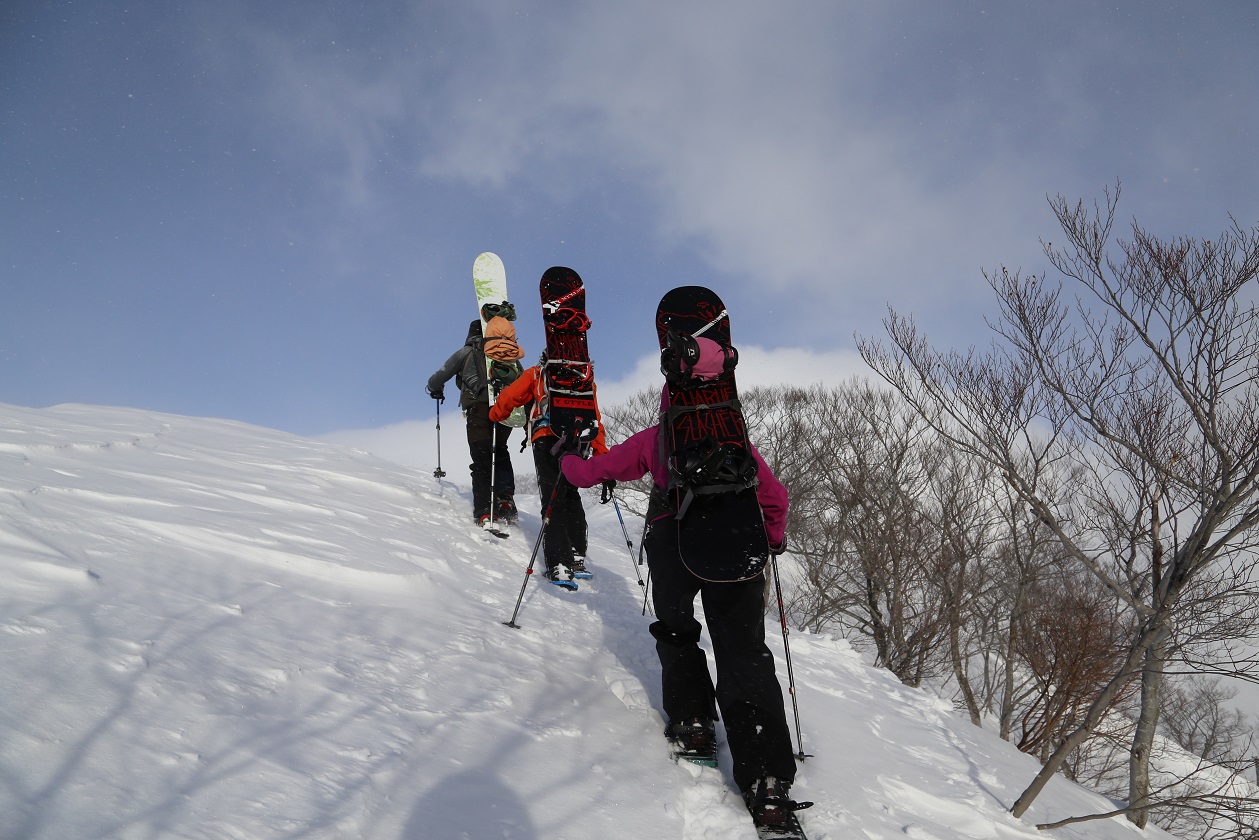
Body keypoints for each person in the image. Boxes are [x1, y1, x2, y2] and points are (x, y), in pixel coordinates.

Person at [558, 335, 805, 832]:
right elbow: (775, 498)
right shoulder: (738, 442)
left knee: (677, 628)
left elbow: (592, 473)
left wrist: (564, 459)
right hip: (737, 547)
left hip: (673, 543)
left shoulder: (658, 439)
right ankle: (767, 782)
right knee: (743, 652)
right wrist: (771, 539)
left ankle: (693, 724)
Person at [489, 353, 608, 584]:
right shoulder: (585, 381)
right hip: (578, 441)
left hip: (546, 437)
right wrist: (601, 452)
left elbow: (510, 397)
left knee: (552, 497)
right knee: (571, 494)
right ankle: (576, 555)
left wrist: (495, 414)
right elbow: (595, 418)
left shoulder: (537, 373)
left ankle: (559, 564)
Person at [426, 317, 524, 527]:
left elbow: (438, 377)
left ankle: (485, 510)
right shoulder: (506, 352)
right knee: (500, 449)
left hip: (478, 408)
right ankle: (505, 499)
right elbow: (522, 379)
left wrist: (435, 388)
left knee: (482, 457)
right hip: (505, 408)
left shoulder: (467, 351)